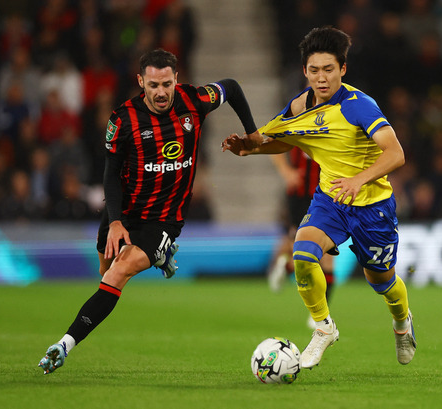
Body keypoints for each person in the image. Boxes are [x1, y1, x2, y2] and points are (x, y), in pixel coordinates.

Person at [38, 49, 261, 374]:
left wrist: (253, 135)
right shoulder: (122, 119)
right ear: (142, 81)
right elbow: (110, 173)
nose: (161, 92)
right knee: (105, 271)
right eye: (153, 84)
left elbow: (233, 87)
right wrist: (114, 222)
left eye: (167, 84)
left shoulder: (195, 100)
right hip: (124, 210)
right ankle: (160, 256)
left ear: (176, 80)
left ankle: (63, 346)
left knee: (117, 273)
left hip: (164, 217)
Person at [222, 27, 416, 369]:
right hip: (331, 198)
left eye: (329, 69)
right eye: (314, 70)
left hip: (373, 207)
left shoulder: (359, 106)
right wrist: (250, 149)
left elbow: (396, 153)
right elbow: (288, 139)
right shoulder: (301, 104)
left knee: (382, 282)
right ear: (305, 72)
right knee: (302, 251)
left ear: (343, 69)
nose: (321, 78)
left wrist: (360, 178)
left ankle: (402, 325)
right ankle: (324, 328)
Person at [267, 147, 335, 329]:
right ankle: (287, 266)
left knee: (327, 256)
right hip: (299, 196)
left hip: (328, 197)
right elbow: (273, 144)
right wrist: (285, 171)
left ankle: (320, 314)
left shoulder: (336, 122)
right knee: (298, 247)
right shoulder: (294, 119)